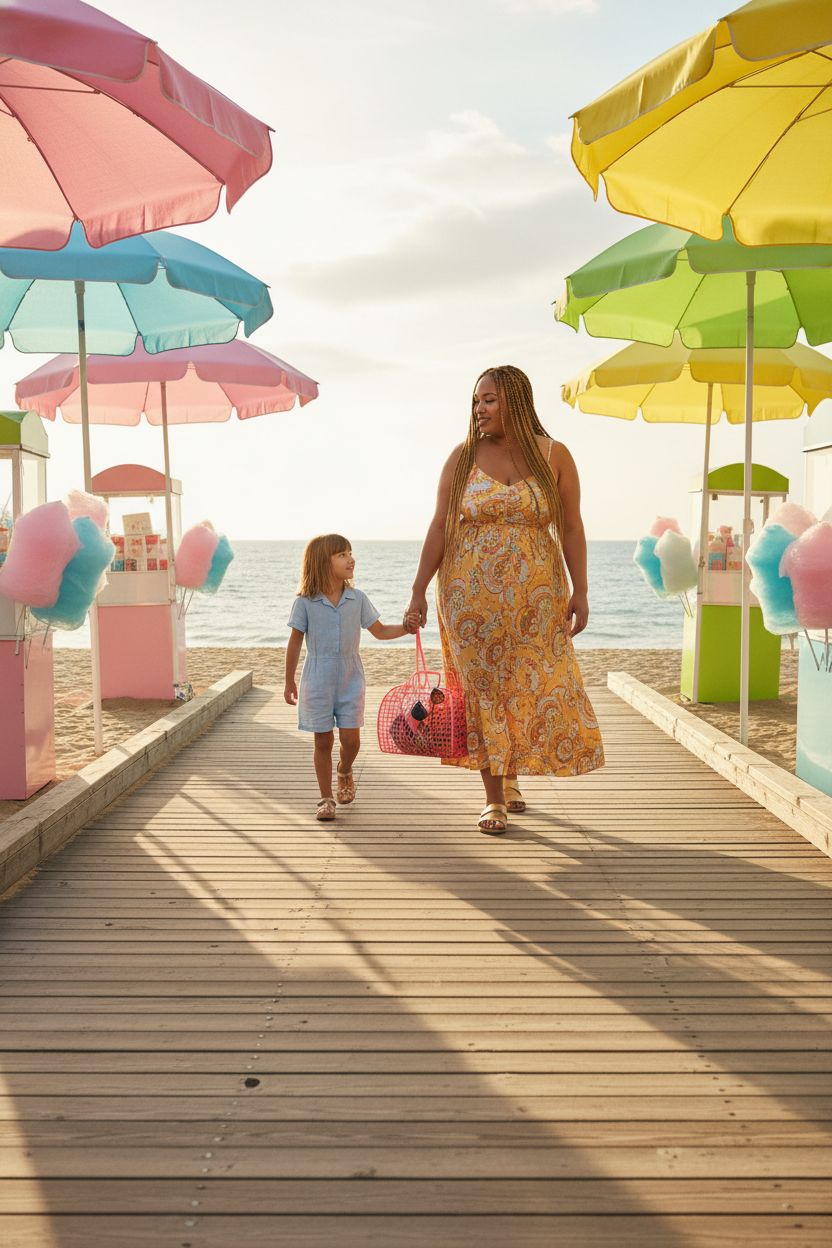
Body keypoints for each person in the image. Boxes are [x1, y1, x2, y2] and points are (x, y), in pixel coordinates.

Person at [405, 365, 604, 834]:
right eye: (476, 401)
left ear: (515, 400)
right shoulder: (462, 458)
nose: (479, 409)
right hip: (467, 597)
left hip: (538, 599)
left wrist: (582, 590)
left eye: (489, 400)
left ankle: (512, 774)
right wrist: (417, 588)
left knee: (530, 687)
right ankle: (493, 796)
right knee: (482, 692)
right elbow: (439, 525)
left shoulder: (554, 455)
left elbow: (572, 526)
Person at [285, 533, 413, 821]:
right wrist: (288, 680)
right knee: (322, 741)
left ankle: (344, 769)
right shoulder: (305, 602)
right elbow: (294, 642)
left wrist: (407, 628)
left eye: (350, 553)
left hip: (350, 678)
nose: (351, 558)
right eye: (342, 554)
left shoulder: (358, 598)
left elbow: (379, 631)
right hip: (317, 678)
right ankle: (326, 798)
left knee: (351, 740)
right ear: (322, 561)